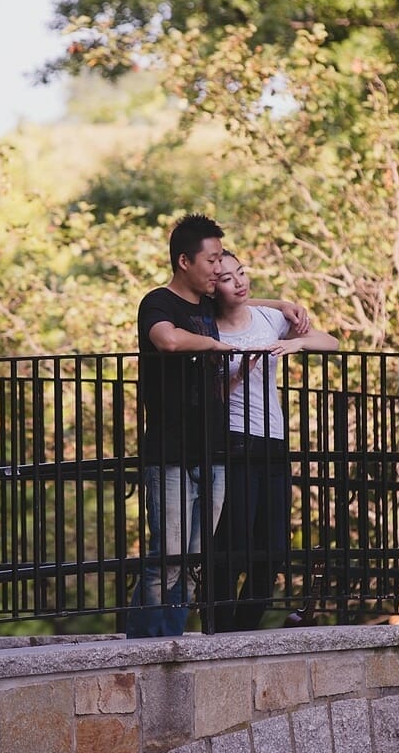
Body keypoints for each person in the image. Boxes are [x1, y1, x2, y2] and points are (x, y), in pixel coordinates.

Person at [210, 250, 338, 631]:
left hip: (274, 438)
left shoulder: (267, 318)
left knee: (274, 547)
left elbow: (330, 342)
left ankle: (244, 628)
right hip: (235, 439)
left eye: (242, 273)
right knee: (235, 543)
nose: (240, 282)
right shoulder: (208, 329)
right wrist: (238, 372)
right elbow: (210, 395)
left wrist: (296, 344)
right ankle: (219, 625)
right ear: (212, 287)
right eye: (228, 278)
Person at [126, 214, 233, 638]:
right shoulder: (158, 302)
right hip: (168, 450)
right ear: (185, 261)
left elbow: (247, 304)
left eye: (222, 257)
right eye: (212, 259)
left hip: (213, 449)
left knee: (194, 558)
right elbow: (167, 340)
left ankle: (174, 637)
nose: (219, 268)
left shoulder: (210, 305)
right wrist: (211, 343)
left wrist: (282, 307)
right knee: (167, 554)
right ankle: (146, 642)